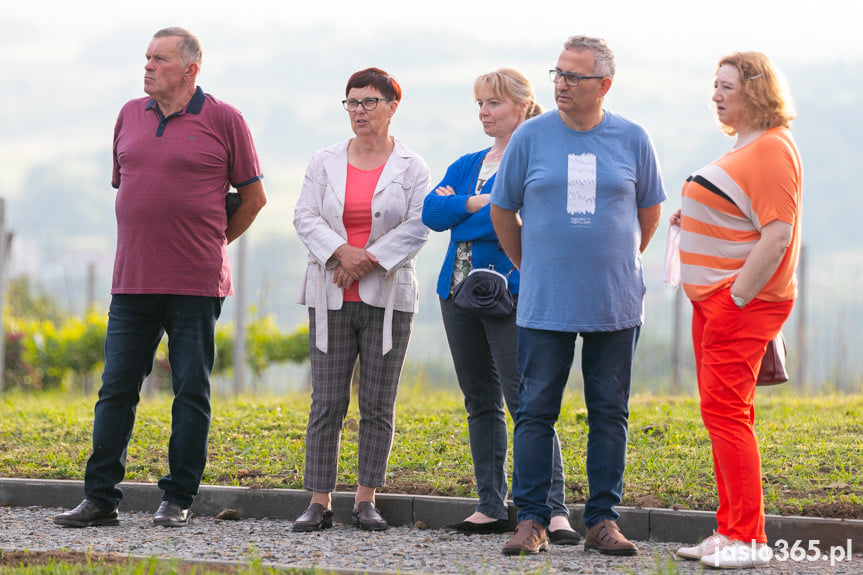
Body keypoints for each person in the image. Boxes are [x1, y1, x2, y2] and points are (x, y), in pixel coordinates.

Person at [53, 27, 267, 529]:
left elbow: (253, 200)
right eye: (146, 57)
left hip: (196, 285)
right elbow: (129, 188)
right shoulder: (129, 115)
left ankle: (177, 498)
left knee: (191, 389)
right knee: (116, 389)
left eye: (160, 59)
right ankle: (99, 498)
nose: (148, 66)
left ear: (191, 70)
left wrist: (211, 244)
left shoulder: (225, 119)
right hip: (132, 281)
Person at [490, 35, 666, 556]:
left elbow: (649, 211)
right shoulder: (530, 137)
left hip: (615, 302)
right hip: (546, 303)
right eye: (558, 74)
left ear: (603, 85)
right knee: (535, 410)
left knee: (609, 411)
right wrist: (534, 266)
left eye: (574, 76)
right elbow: (503, 209)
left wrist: (614, 260)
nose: (561, 84)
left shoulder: (634, 138)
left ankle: (602, 520)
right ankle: (532, 520)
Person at [421, 69, 579, 544]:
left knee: (527, 402)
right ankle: (491, 504)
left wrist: (468, 210)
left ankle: (553, 510)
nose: (484, 113)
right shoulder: (468, 162)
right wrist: (480, 203)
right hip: (457, 293)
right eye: (480, 105)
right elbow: (432, 213)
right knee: (479, 401)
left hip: (513, 294)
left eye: (493, 104)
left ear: (521, 105)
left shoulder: (537, 160)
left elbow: (523, 219)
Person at [672, 52, 802, 570]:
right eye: (715, 86)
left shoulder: (771, 147)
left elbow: (778, 235)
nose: (717, 95)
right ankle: (730, 529)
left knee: (727, 416)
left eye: (727, 86)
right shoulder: (747, 146)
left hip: (739, 304)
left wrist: (736, 299)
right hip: (717, 303)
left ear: (756, 90)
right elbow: (743, 214)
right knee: (723, 413)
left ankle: (749, 539)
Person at [291, 68, 430, 532]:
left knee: (377, 402)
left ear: (393, 106)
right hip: (330, 293)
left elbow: (417, 225)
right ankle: (319, 499)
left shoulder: (412, 167)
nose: (359, 112)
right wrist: (341, 252)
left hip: (387, 297)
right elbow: (304, 215)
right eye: (351, 103)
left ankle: (367, 497)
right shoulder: (323, 161)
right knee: (326, 401)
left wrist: (369, 259)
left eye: (369, 103)